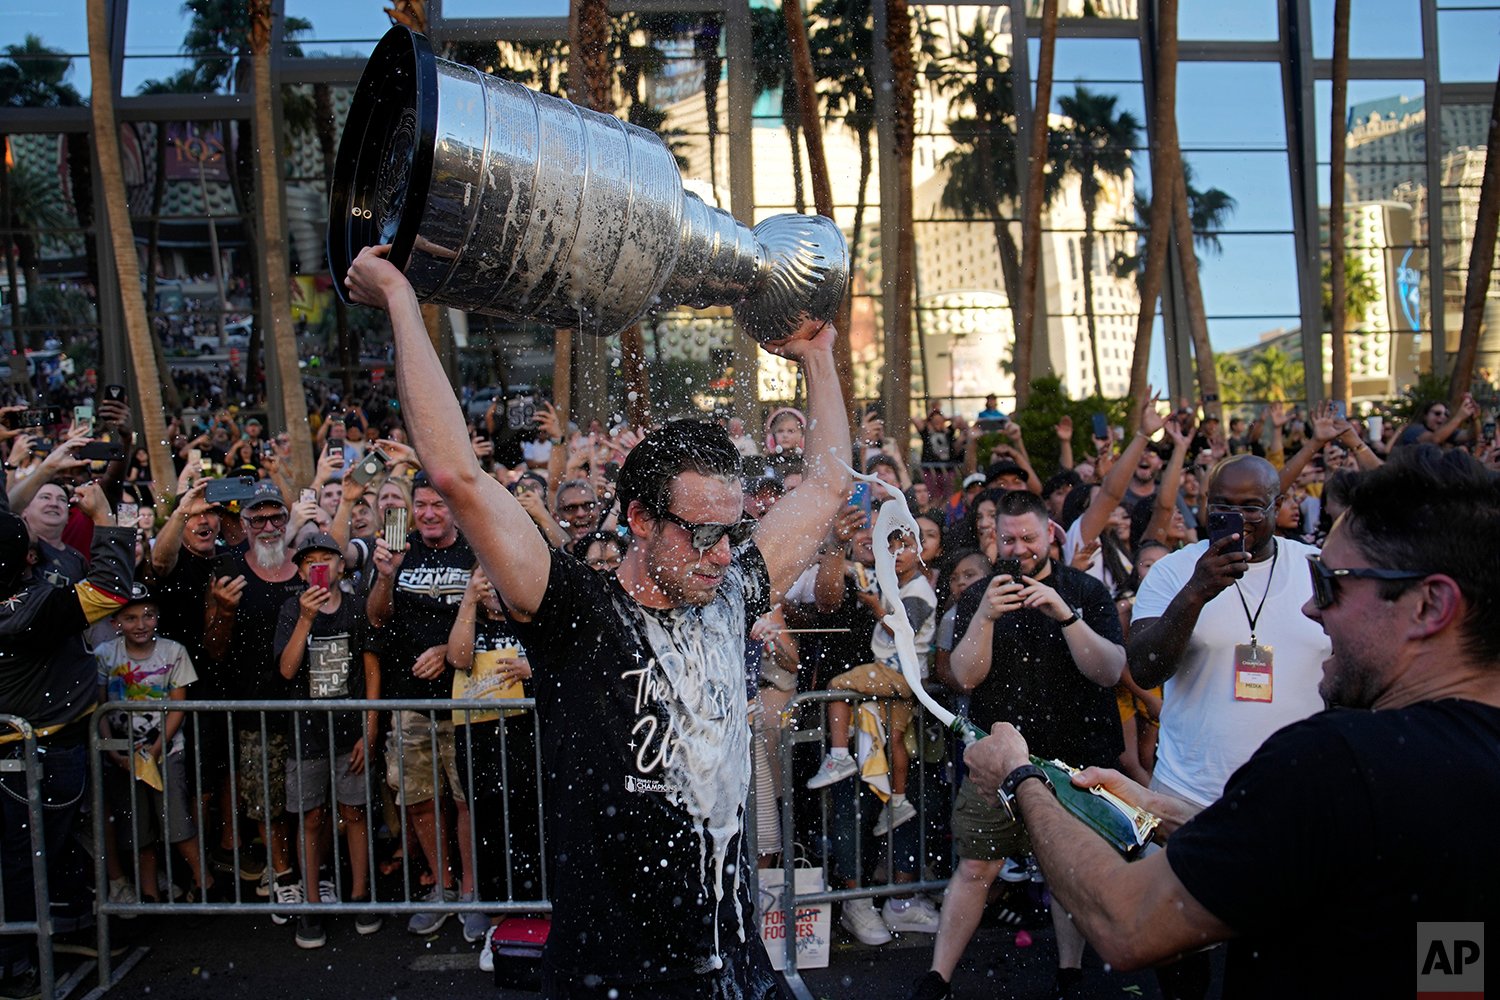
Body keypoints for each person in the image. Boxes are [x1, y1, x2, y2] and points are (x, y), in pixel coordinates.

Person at [345, 242, 850, 999]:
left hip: (734, 974)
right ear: (641, 519)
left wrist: (816, 357)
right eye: (700, 534)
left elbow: (825, 490)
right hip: (611, 977)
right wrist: (399, 301)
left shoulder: (726, 593)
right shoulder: (577, 612)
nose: (720, 556)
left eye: (733, 532)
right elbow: (457, 474)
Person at [963, 445, 1500, 998]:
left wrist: (1021, 778)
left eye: (1333, 586)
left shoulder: (1335, 764)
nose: (1314, 610)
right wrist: (1158, 807)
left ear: (1430, 605)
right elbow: (1456, 962)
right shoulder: (1445, 771)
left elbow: (1127, 922)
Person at [913, 490, 1126, 1000]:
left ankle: (1070, 973)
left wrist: (1067, 616)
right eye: (1008, 538)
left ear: (1050, 533)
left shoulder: (1085, 590)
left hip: (1074, 759)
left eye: (1029, 537)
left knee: (1068, 871)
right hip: (999, 760)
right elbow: (964, 677)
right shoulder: (977, 597)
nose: (1020, 547)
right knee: (976, 866)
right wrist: (984, 615)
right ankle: (937, 978)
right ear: (995, 539)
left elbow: (1111, 671)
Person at [0, 478, 133, 996]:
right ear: (28, 559)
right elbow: (109, 592)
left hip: (31, 747)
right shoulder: (28, 613)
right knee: (25, 861)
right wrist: (107, 521)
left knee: (32, 859)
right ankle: (15, 962)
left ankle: (48, 936)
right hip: (39, 753)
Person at [368, 471, 473, 935]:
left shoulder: (473, 549)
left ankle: (472, 892)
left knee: (465, 798)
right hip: (410, 701)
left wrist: (449, 656)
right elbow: (375, 618)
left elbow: (493, 616)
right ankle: (442, 886)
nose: (430, 514)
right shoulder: (398, 550)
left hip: (467, 698)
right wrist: (385, 578)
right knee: (420, 800)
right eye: (422, 505)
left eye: (439, 504)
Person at [274, 533, 382, 949]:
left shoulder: (356, 607)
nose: (319, 566)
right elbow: (286, 670)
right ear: (300, 571)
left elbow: (371, 669)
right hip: (306, 733)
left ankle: (360, 894)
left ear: (341, 566)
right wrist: (304, 619)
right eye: (310, 561)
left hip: (349, 730)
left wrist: (370, 726)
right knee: (310, 818)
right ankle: (312, 903)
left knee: (354, 812)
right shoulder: (291, 609)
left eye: (327, 559)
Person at [203, 481, 304, 917]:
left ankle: (308, 869)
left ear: (287, 521)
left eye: (275, 517)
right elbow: (213, 649)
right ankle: (283, 874)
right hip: (254, 704)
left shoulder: (307, 567)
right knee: (266, 798)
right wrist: (223, 611)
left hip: (309, 703)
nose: (267, 526)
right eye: (257, 518)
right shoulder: (228, 568)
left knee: (309, 798)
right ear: (242, 524)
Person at [96, 585, 213, 905]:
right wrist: (115, 751)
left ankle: (205, 882)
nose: (141, 624)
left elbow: (178, 706)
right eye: (131, 617)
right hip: (122, 755)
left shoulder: (173, 651)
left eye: (148, 615)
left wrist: (157, 748)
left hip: (166, 752)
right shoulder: (106, 654)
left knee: (176, 823)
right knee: (137, 830)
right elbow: (100, 708)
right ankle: (149, 894)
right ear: (117, 621)